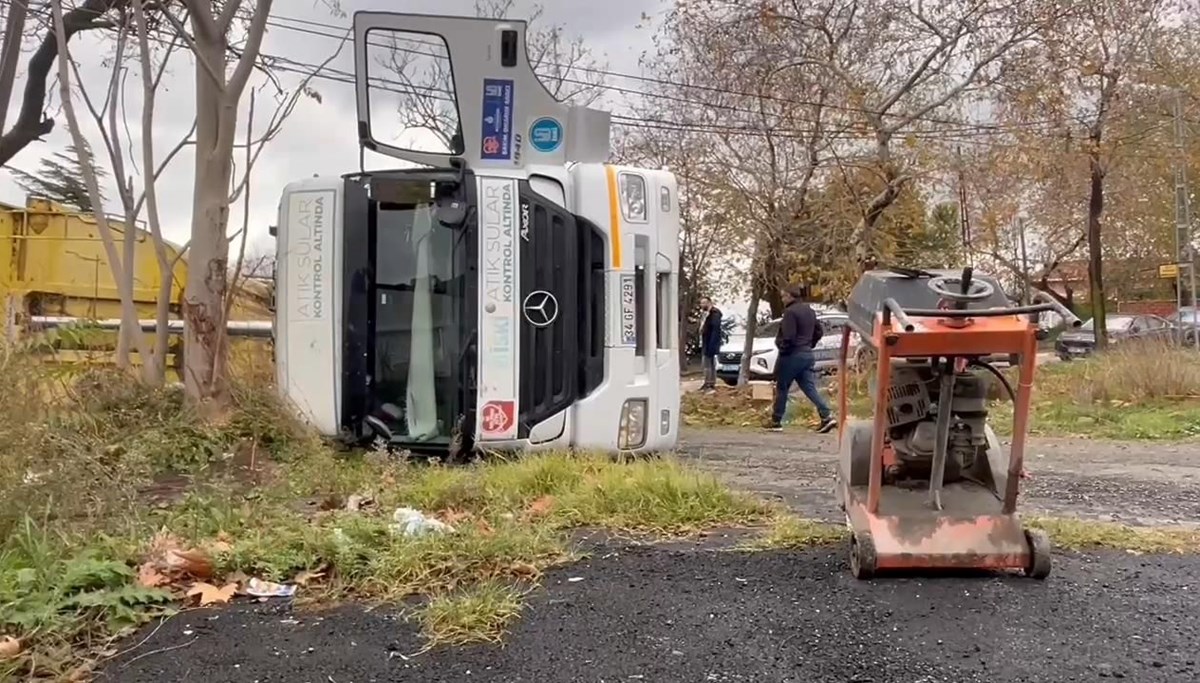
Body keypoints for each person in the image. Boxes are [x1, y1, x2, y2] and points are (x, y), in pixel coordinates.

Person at [767, 284, 836, 433]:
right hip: (806, 354)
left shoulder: (790, 312)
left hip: (792, 355)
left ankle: (776, 421)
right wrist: (809, 344)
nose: (782, 299)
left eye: (784, 296)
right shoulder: (809, 311)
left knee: (782, 387)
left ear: (791, 296)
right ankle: (827, 415)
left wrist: (783, 349)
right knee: (809, 387)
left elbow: (789, 336)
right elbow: (818, 331)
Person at [699, 297, 722, 391]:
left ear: (709, 303)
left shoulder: (714, 314)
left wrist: (712, 345)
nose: (702, 305)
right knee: (709, 363)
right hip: (706, 341)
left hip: (710, 342)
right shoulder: (705, 314)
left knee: (707, 363)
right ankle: (709, 382)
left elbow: (715, 330)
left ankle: (709, 383)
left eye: (704, 303)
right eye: (701, 303)